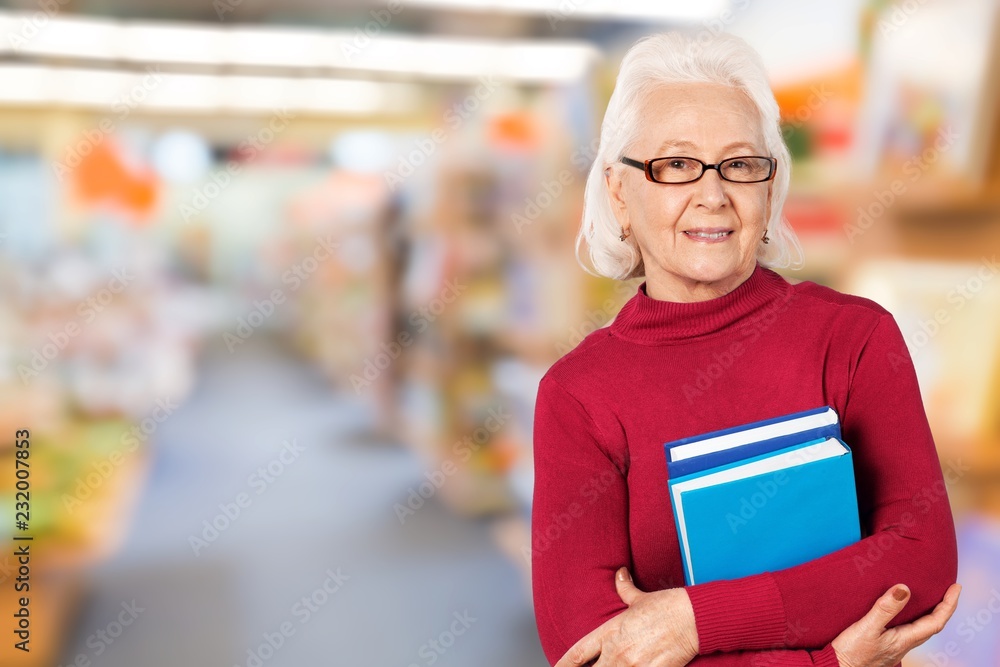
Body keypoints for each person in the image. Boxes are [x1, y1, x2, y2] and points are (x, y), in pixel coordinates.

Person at [530, 31, 962, 667]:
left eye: (739, 164)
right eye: (675, 165)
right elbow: (591, 653)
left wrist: (692, 623)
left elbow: (922, 562)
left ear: (769, 187)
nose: (713, 194)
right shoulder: (578, 395)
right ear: (620, 194)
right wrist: (827, 661)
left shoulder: (854, 337)